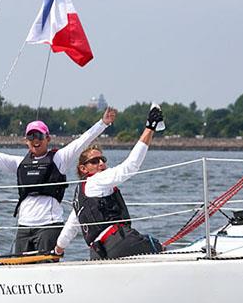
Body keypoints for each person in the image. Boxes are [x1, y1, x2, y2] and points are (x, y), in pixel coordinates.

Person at [0, 107, 115, 253]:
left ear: (47, 138)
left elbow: (82, 141)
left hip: (49, 226)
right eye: (31, 136)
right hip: (24, 227)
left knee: (47, 269)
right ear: (26, 140)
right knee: (20, 270)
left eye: (39, 135)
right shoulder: (19, 163)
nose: (35, 140)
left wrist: (103, 123)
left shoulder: (59, 158)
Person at [54, 106, 164, 259]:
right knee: (160, 248)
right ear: (83, 168)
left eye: (102, 159)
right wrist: (150, 127)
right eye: (94, 161)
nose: (101, 163)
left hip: (97, 254)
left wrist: (58, 250)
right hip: (119, 243)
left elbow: (70, 228)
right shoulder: (98, 180)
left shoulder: (81, 196)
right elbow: (131, 166)